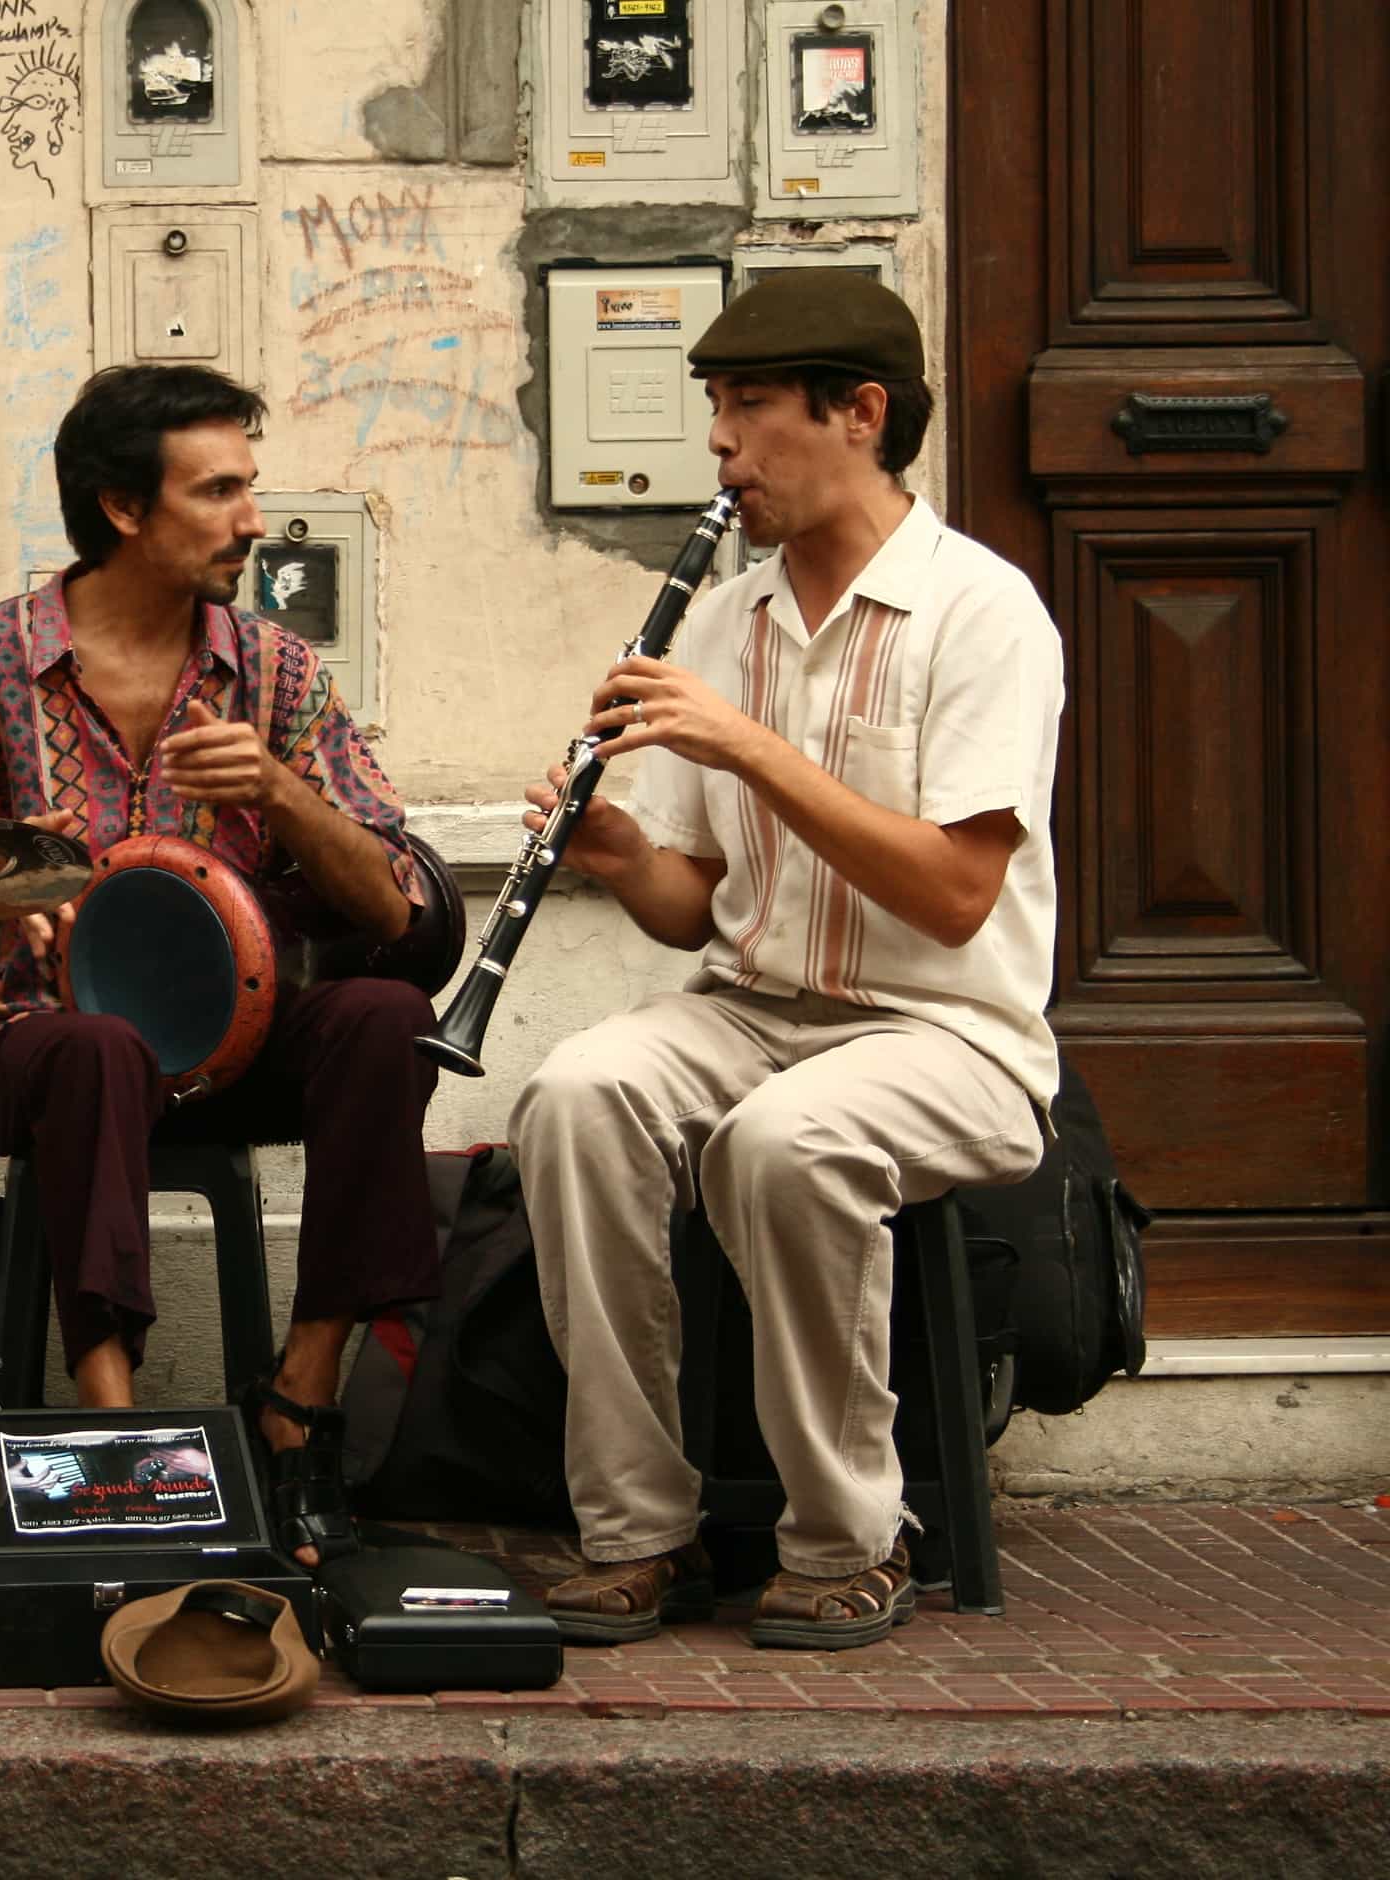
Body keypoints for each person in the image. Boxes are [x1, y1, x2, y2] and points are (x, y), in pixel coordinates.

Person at [511, 271, 1063, 1651]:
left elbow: (951, 895)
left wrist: (753, 748)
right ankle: (639, 1531)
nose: (721, 445)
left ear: (861, 414)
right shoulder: (722, 620)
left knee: (784, 1143)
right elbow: (699, 913)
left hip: (951, 1037)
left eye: (751, 407)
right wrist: (626, 859)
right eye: (716, 407)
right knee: (572, 1097)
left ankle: (847, 1540)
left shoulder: (981, 615)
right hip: (750, 1005)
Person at [0, 363, 438, 1566]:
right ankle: (119, 1450)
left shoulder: (277, 672)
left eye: (249, 486)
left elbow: (387, 905)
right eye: (218, 490)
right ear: (124, 508)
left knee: (385, 1014)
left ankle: (299, 1402)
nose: (251, 520)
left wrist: (279, 790)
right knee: (94, 1044)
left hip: (239, 1037)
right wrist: (4, 884)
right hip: (38, 1042)